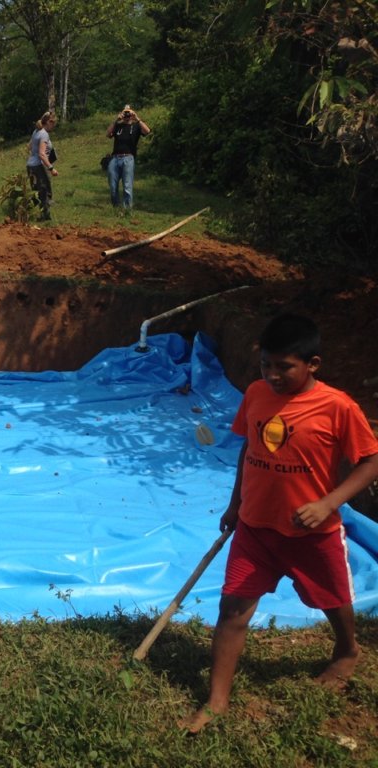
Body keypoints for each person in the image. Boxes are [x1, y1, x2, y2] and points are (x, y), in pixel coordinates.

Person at [182, 313, 378, 734]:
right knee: (232, 608)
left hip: (312, 533)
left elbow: (370, 460)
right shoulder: (255, 394)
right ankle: (216, 701)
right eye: (265, 365)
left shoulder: (337, 407)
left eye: (283, 367)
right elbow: (248, 449)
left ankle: (347, 649)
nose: (272, 375)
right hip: (254, 528)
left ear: (313, 364)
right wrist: (235, 504)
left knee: (332, 599)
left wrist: (329, 503)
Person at [105, 104, 150, 211]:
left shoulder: (135, 126)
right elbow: (108, 134)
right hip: (115, 158)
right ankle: (116, 207)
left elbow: (147, 131)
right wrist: (116, 120)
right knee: (112, 185)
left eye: (128, 113)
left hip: (128, 158)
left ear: (132, 114)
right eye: (125, 113)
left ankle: (127, 209)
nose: (127, 115)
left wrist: (137, 118)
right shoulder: (118, 126)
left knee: (127, 185)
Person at [25, 111, 58, 221]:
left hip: (30, 165)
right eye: (54, 124)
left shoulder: (36, 131)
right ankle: (45, 216)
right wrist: (51, 168)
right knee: (45, 191)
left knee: (36, 192)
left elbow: (29, 146)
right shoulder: (44, 134)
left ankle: (25, 210)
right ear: (49, 122)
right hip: (40, 166)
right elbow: (42, 154)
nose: (53, 127)